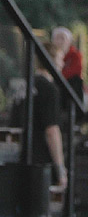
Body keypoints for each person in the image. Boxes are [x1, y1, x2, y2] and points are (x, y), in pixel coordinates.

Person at [10, 41, 68, 191]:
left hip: (17, 159)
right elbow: (52, 131)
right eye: (60, 59)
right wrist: (60, 169)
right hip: (40, 163)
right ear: (51, 60)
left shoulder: (24, 85)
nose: (62, 64)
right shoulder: (49, 89)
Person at [52, 26, 84, 100]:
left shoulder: (75, 55)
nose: (59, 41)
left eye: (62, 38)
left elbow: (75, 71)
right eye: (57, 38)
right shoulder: (50, 54)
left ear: (69, 41)